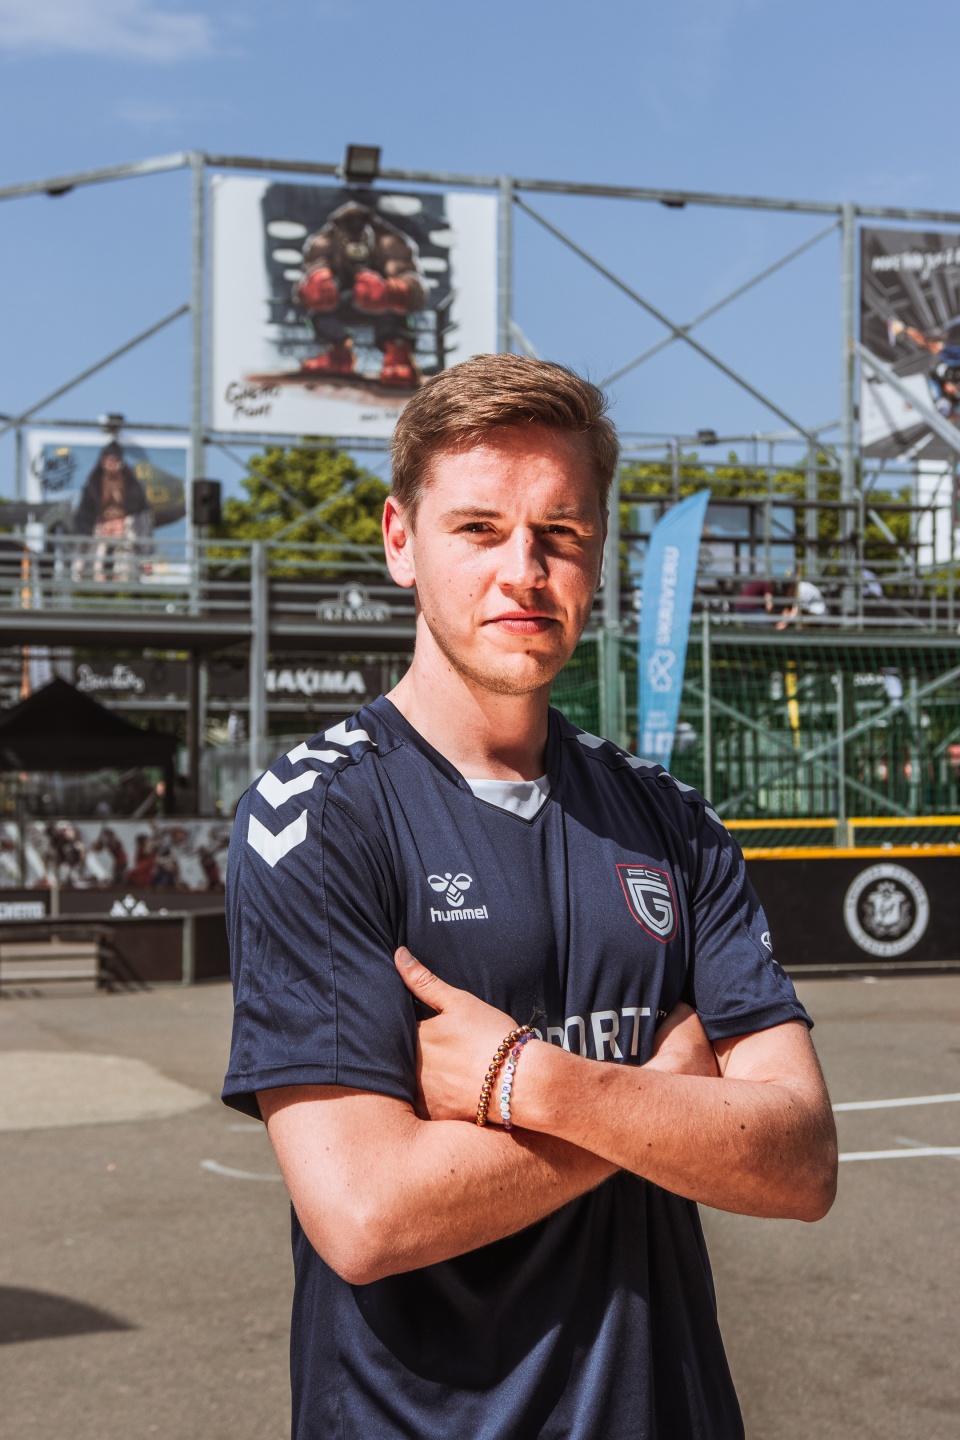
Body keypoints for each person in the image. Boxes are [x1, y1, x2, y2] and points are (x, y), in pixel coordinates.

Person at [222, 354, 837, 1440]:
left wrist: (534, 1081)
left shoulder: (671, 820)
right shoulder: (315, 815)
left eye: (561, 532)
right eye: (478, 528)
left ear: (597, 556)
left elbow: (800, 1161)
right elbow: (368, 1215)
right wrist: (662, 1096)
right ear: (401, 541)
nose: (525, 570)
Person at [294, 200, 426, 388]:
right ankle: (339, 355)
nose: (356, 246)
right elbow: (300, 289)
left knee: (398, 313)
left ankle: (398, 356)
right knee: (318, 313)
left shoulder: (391, 243)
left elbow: (416, 288)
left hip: (382, 309)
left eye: (361, 237)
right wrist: (313, 286)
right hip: (341, 303)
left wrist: (392, 290)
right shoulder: (323, 244)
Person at [72, 441, 152, 582]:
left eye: (115, 461)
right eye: (108, 461)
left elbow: (142, 521)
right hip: (99, 536)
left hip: (125, 536)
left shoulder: (132, 487)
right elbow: (83, 522)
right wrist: (80, 560)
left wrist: (145, 557)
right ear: (102, 462)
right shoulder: (94, 485)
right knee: (95, 573)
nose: (111, 465)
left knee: (125, 574)